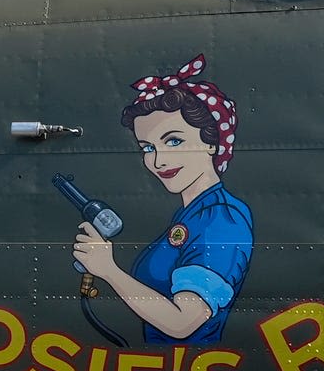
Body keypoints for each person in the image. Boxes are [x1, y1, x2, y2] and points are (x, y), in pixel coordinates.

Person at [69, 55, 254, 345]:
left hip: (189, 370)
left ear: (211, 142)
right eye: (148, 147)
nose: (158, 160)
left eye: (174, 141)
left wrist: (108, 270)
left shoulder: (221, 218)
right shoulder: (192, 214)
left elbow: (183, 322)